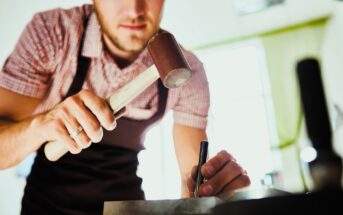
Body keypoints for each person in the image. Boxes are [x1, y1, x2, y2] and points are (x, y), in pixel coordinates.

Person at [0, 0, 250, 214]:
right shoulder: (52, 33)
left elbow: (193, 183)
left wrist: (211, 193)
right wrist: (40, 127)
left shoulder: (189, 72)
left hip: (126, 208)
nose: (134, 9)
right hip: (45, 207)